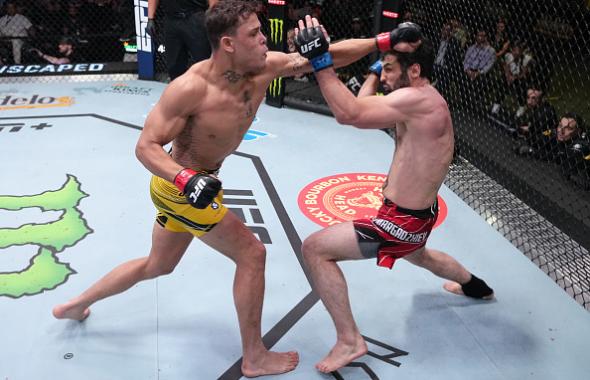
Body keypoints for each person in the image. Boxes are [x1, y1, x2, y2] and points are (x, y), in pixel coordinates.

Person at [52, 1, 383, 377]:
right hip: (180, 188)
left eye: (262, 32)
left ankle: (76, 304)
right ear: (228, 43)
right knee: (252, 255)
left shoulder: (263, 68)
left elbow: (325, 58)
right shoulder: (191, 88)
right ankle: (254, 356)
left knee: (158, 264)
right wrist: (186, 179)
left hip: (198, 186)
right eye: (255, 34)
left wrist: (382, 40)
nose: (265, 39)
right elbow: (145, 146)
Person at [294, 20, 494, 373]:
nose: (384, 77)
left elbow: (349, 114)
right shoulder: (423, 97)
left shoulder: (418, 102)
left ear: (414, 71)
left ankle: (349, 339)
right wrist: (378, 67)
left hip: (399, 221)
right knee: (422, 256)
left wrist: (322, 62)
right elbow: (363, 103)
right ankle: (476, 287)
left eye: (389, 70)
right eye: (382, 70)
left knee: (315, 249)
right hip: (417, 215)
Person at [146, 0, 216, 80]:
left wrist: (211, 17)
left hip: (195, 16)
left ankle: (208, 89)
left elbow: (213, 2)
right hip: (171, 20)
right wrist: (150, 18)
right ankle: (178, 89)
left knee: (204, 60)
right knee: (174, 64)